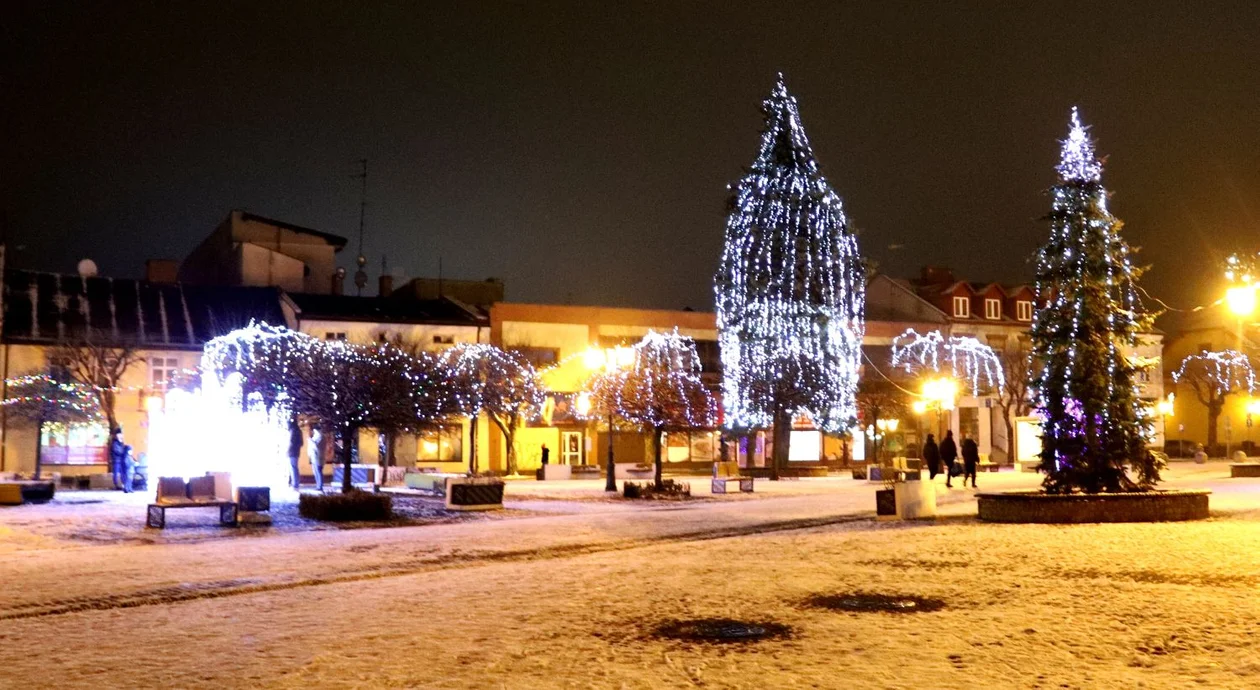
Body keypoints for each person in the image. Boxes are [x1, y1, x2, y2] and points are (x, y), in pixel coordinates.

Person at [307, 424, 327, 491]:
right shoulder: (317, 436)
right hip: (315, 457)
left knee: (318, 471)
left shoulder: (321, 436)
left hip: (319, 457)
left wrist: (310, 441)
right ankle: (318, 485)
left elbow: (317, 446)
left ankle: (320, 486)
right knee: (316, 471)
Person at [287, 417, 304, 490]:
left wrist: (287, 450)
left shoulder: (293, 431)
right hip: (297, 451)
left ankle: (295, 484)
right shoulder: (299, 431)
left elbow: (291, 442)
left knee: (293, 468)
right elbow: (301, 443)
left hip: (292, 452)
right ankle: (295, 483)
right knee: (295, 467)